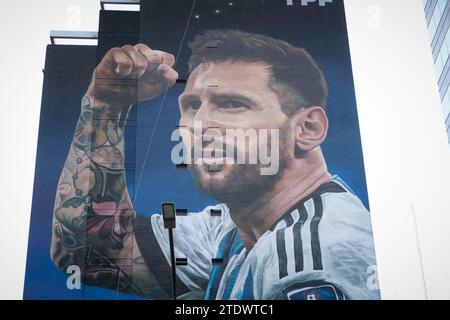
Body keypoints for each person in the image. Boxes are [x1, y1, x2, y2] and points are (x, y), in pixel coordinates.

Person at [51, 29, 380, 300]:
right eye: (191, 105)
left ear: (307, 129)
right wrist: (107, 102)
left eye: (233, 104)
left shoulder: (314, 253)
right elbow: (85, 249)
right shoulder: (235, 225)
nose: (198, 125)